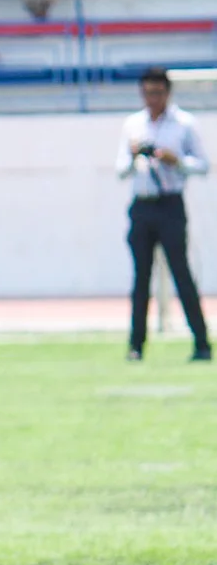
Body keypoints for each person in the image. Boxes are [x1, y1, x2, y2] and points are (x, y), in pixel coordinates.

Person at [116, 67, 210, 362]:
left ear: (167, 93)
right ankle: (136, 346)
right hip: (142, 206)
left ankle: (202, 343)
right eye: (146, 93)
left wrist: (176, 160)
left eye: (156, 93)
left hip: (170, 204)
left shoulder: (183, 124)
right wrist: (133, 156)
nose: (151, 99)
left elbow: (203, 165)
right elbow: (120, 170)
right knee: (141, 278)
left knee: (181, 275)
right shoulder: (133, 124)